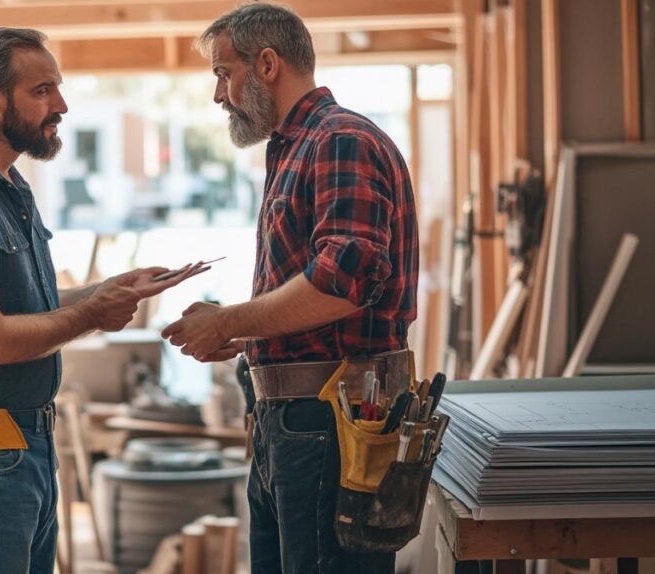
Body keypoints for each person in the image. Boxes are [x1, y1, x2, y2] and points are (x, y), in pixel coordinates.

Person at [0, 27, 199, 573]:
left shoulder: (7, 187)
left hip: (22, 447)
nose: (62, 105)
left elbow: (25, 307)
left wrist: (105, 291)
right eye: (43, 91)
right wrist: (93, 315)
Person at [162, 4, 419, 573]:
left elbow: (341, 284)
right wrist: (248, 335)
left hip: (329, 424)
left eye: (223, 73)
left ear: (268, 64)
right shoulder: (296, 148)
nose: (219, 94)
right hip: (294, 419)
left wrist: (231, 321)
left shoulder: (339, 140)